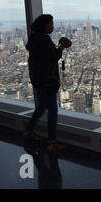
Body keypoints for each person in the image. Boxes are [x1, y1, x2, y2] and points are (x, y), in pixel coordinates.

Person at [23, 14, 72, 152]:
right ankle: (51, 141)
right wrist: (62, 47)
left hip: (38, 80)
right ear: (44, 26)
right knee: (53, 111)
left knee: (42, 106)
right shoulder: (43, 40)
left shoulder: (35, 39)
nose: (52, 26)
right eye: (50, 24)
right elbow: (53, 56)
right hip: (46, 81)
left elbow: (45, 57)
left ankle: (29, 130)